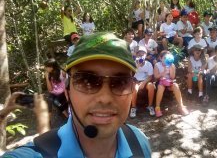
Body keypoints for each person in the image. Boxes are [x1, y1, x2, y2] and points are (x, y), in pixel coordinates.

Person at [3, 32, 152, 157]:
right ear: (67, 91)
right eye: (87, 81)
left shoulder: (139, 142)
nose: (105, 98)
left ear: (132, 89)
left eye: (120, 82)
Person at [154, 51, 189, 117]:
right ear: (160, 58)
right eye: (164, 58)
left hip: (169, 81)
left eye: (167, 58)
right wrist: (163, 73)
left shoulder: (172, 65)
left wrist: (171, 68)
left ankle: (181, 106)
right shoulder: (157, 65)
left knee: (175, 86)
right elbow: (156, 76)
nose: (166, 60)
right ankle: (157, 108)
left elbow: (172, 77)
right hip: (160, 81)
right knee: (161, 87)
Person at [130, 46, 155, 118]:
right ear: (136, 55)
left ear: (146, 55)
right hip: (136, 80)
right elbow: (131, 75)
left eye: (143, 54)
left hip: (146, 81)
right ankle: (133, 107)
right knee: (134, 88)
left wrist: (143, 83)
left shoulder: (148, 64)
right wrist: (137, 67)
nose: (141, 56)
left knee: (151, 86)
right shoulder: (134, 63)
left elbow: (150, 76)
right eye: (139, 54)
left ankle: (150, 106)